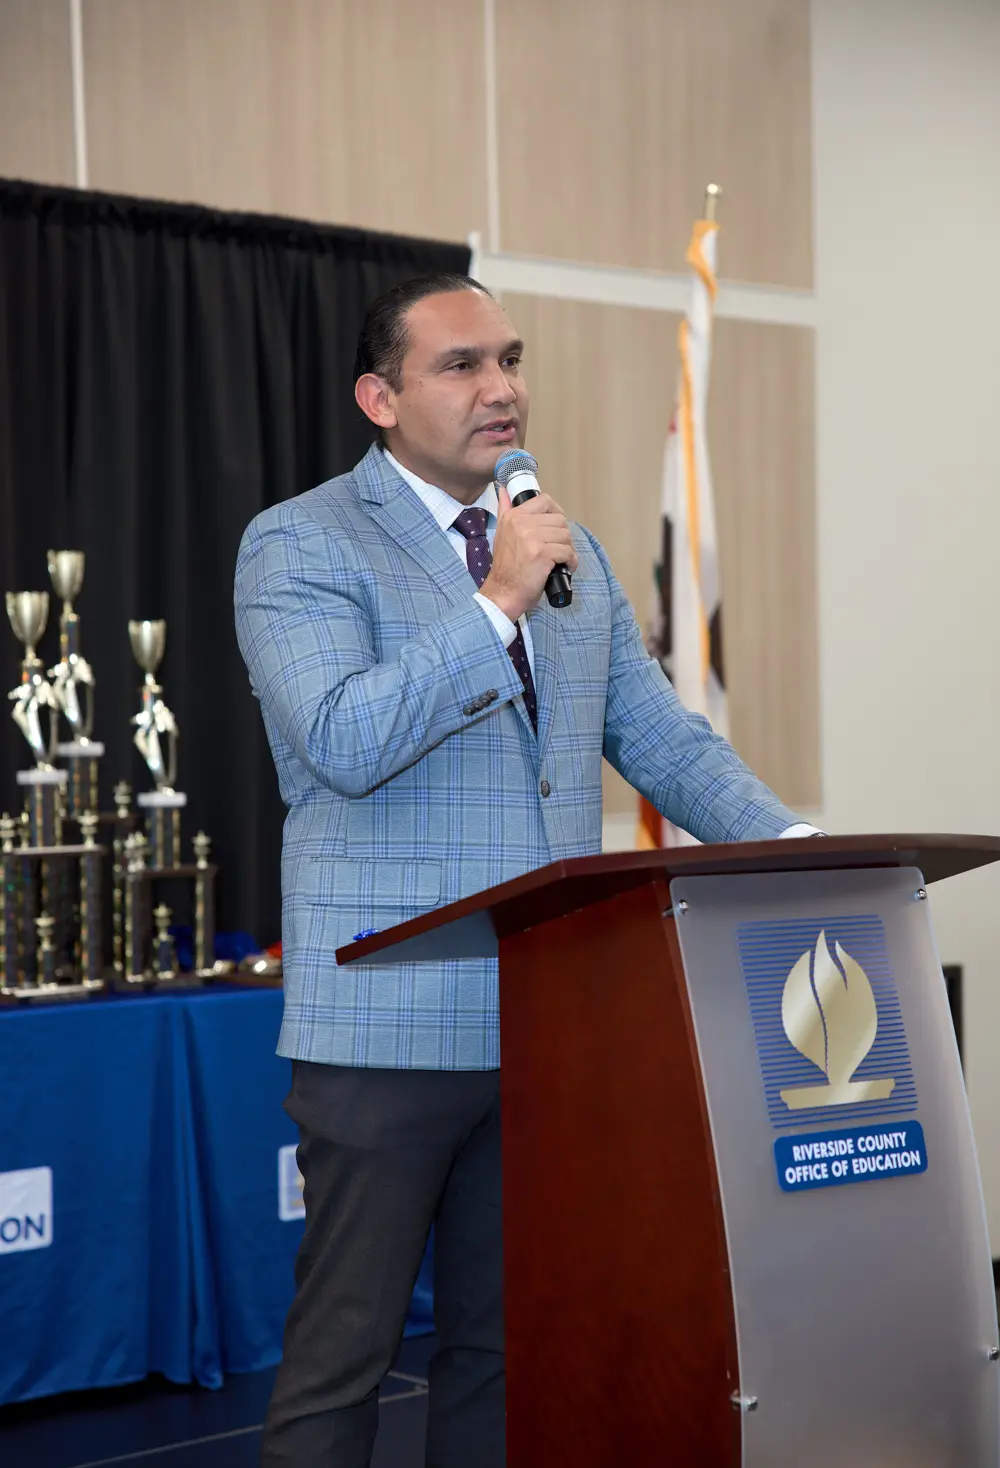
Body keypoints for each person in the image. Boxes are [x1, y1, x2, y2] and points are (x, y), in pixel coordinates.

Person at [234, 272, 818, 1467]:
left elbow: (659, 742)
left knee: (504, 1354)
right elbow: (342, 740)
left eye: (508, 358)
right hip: (386, 1024)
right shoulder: (301, 540)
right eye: (460, 365)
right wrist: (497, 600)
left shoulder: (569, 552)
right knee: (341, 1360)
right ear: (379, 399)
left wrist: (802, 856)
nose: (500, 387)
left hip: (546, 1024)